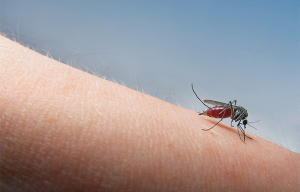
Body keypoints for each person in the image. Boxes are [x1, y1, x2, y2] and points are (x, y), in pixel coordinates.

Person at [0, 35, 299, 191]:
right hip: (220, 111)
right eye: (242, 123)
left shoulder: (239, 116)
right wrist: (218, 118)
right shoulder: (235, 114)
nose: (242, 125)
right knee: (225, 109)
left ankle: (206, 114)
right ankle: (206, 114)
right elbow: (234, 112)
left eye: (241, 124)